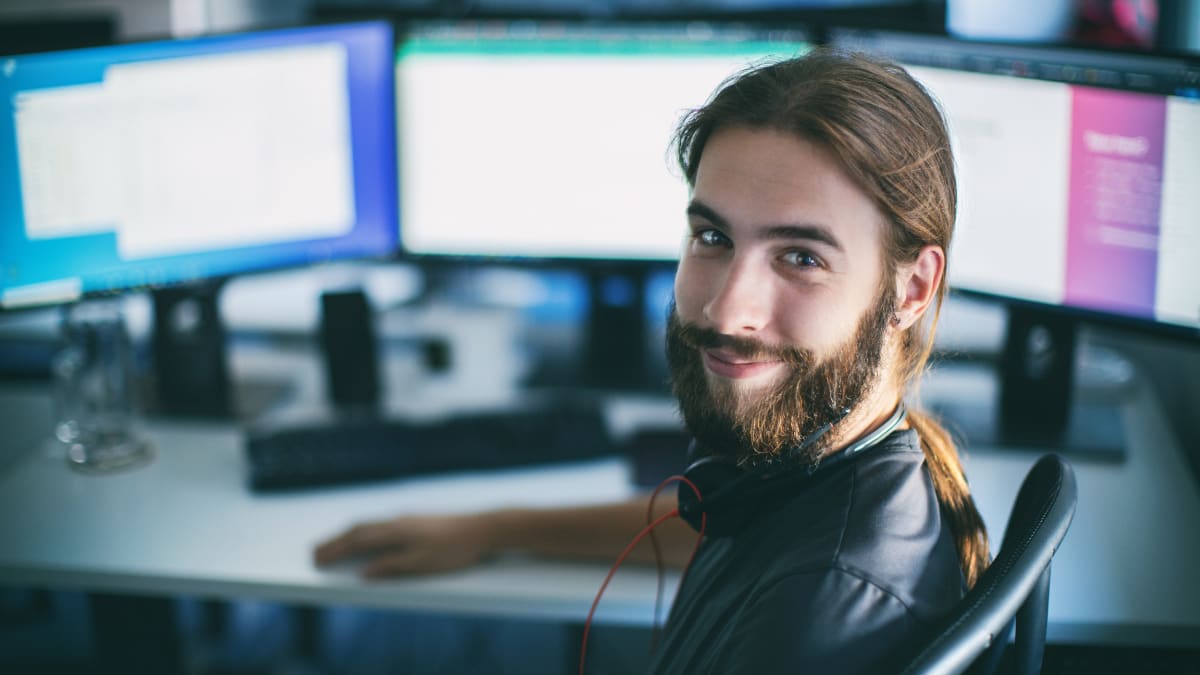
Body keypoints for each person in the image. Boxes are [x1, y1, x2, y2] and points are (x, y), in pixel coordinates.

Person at [314, 47, 989, 673]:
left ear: (912, 288)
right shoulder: (817, 467)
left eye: (802, 257)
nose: (727, 312)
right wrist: (495, 528)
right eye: (712, 236)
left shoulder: (815, 616)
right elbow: (710, 523)